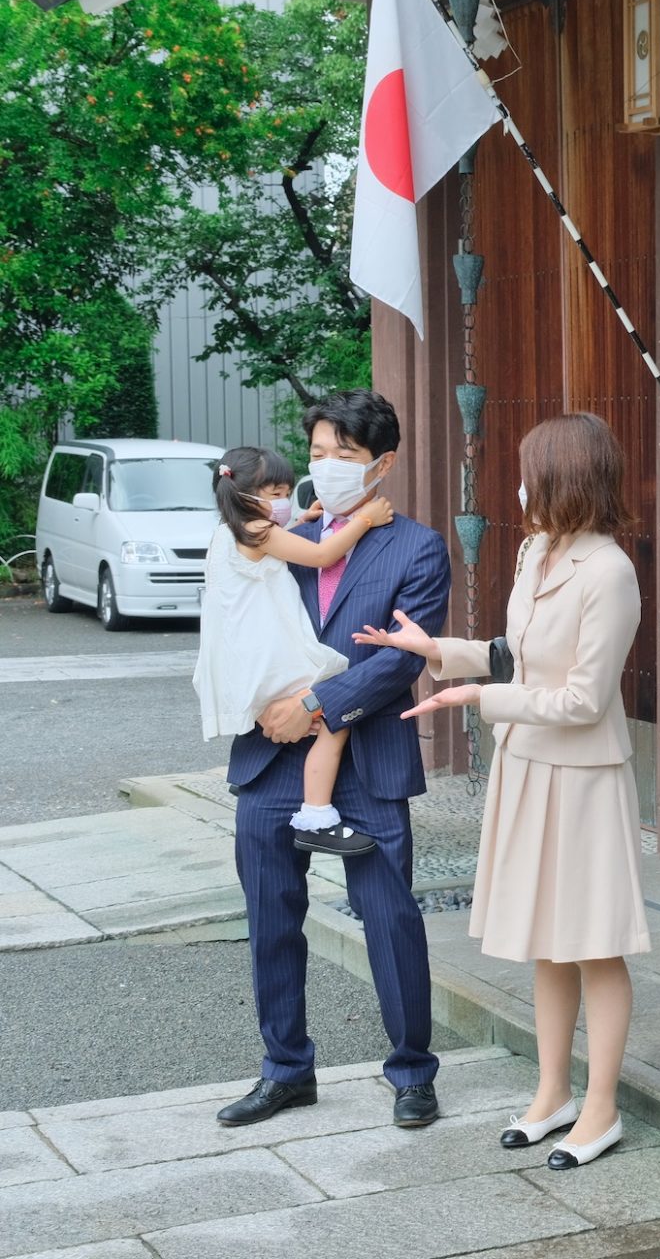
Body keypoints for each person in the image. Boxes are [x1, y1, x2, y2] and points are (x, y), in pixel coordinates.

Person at [361, 413, 649, 1171]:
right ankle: (552, 1091)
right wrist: (437, 653)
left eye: (528, 470)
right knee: (546, 939)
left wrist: (478, 702)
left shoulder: (610, 570)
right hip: (526, 765)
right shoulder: (535, 550)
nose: (516, 485)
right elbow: (512, 654)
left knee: (594, 940)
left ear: (563, 477)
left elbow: (585, 699)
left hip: (583, 776)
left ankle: (601, 1106)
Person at [215, 390, 450, 1131]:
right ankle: (286, 1071)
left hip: (368, 757)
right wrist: (265, 708)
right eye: (317, 453)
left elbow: (395, 665)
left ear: (382, 464)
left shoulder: (417, 547)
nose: (326, 467)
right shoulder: (274, 531)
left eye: (343, 456)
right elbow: (230, 622)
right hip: (270, 757)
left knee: (389, 920)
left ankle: (412, 1071)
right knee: (272, 922)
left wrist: (315, 707)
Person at [194, 446, 393, 858]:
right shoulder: (259, 532)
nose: (284, 501)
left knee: (320, 722)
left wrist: (303, 521)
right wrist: (364, 521)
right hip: (271, 656)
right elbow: (322, 555)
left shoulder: (225, 534)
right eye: (276, 492)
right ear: (246, 496)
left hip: (242, 660)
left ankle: (314, 810)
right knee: (335, 715)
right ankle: (317, 815)